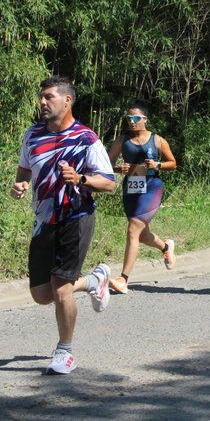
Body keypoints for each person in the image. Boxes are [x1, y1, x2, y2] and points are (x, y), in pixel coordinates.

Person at [10, 76, 116, 374]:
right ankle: (94, 281)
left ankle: (65, 352)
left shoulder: (86, 138)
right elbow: (24, 170)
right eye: (41, 97)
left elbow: (109, 182)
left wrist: (81, 179)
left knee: (60, 291)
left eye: (49, 97)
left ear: (67, 101)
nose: (42, 102)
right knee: (41, 295)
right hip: (44, 221)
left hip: (76, 217)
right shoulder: (33, 134)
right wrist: (20, 185)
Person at [106, 103, 178, 294]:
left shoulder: (157, 140)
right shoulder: (122, 140)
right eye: (129, 118)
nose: (132, 121)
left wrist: (157, 165)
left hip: (152, 186)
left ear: (145, 120)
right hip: (131, 186)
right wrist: (117, 169)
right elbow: (105, 163)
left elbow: (172, 163)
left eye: (136, 118)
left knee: (133, 229)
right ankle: (166, 247)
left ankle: (123, 279)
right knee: (143, 235)